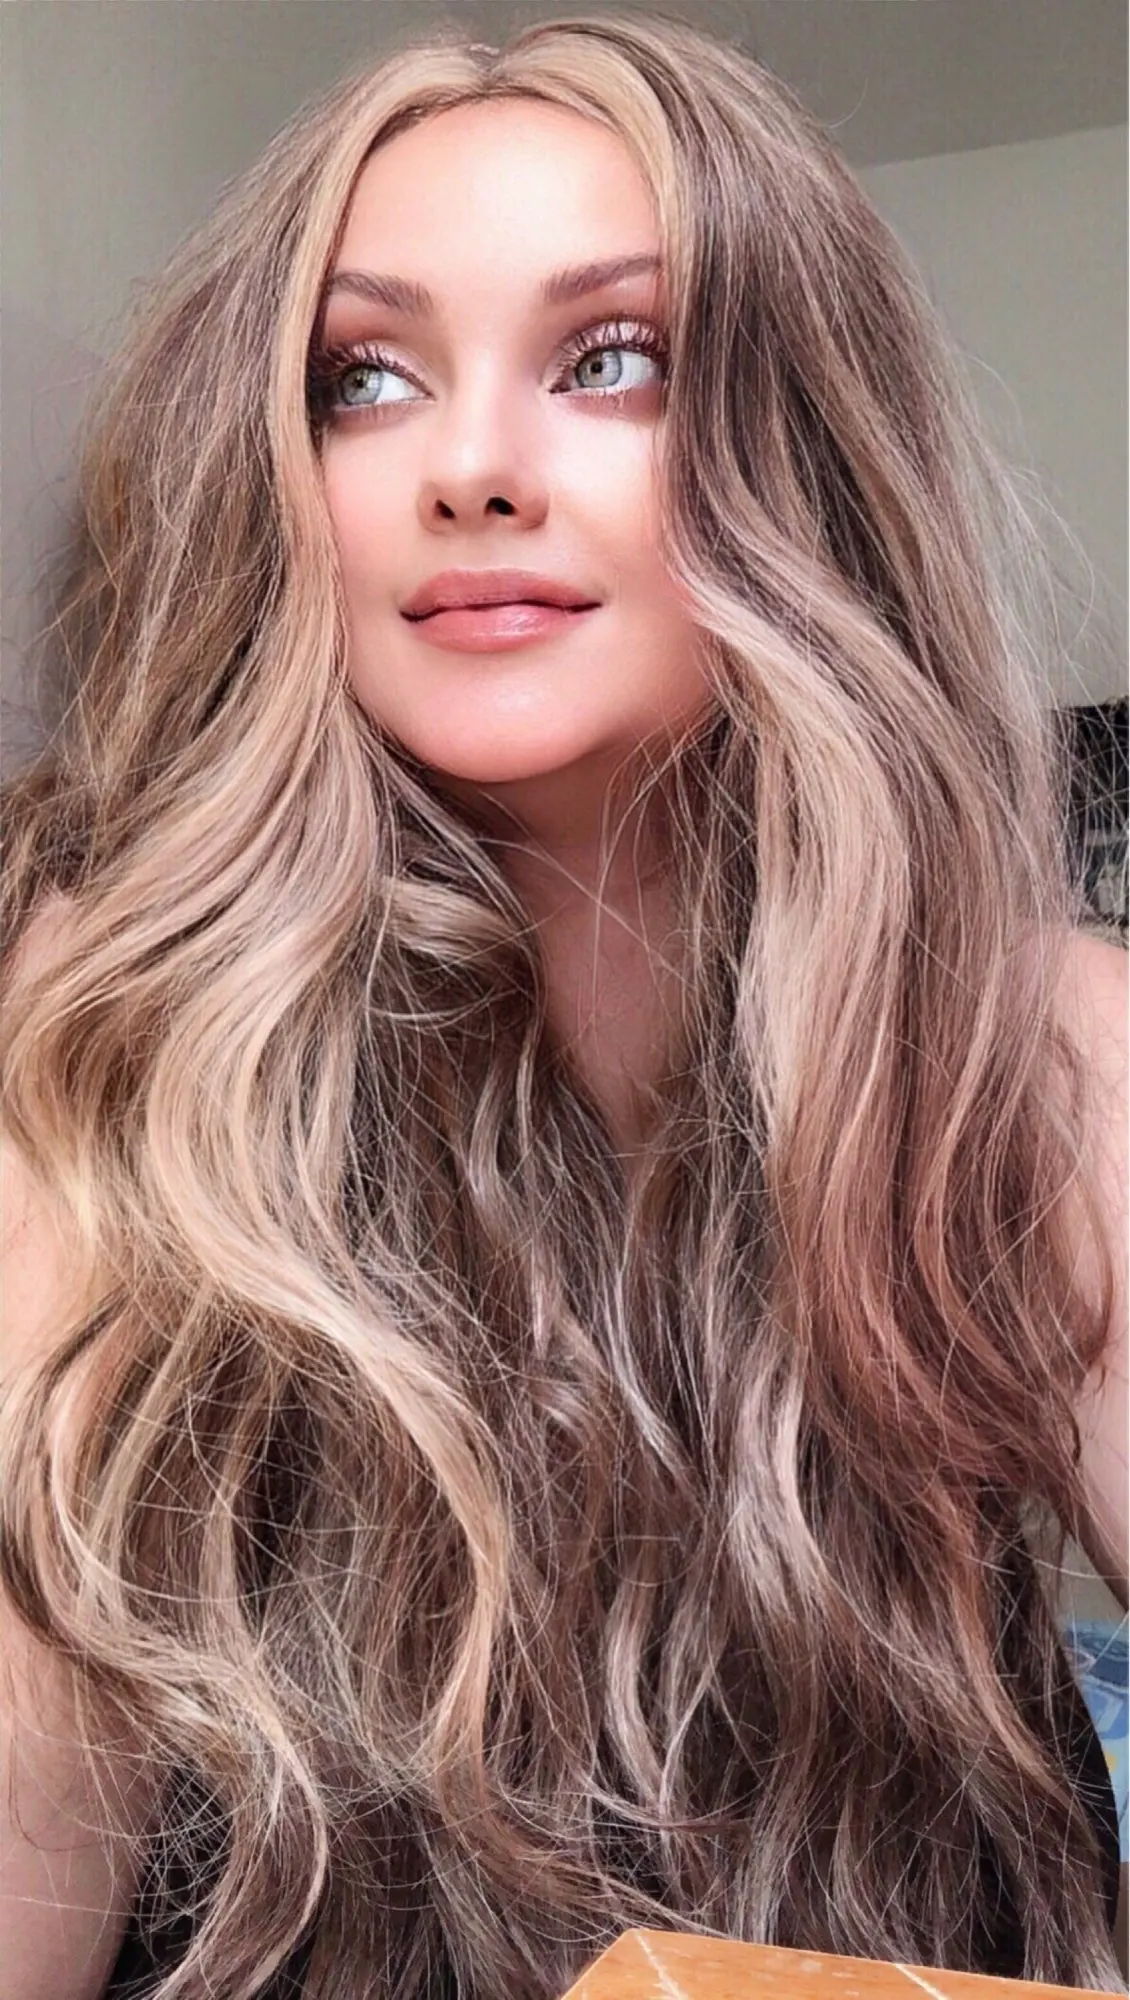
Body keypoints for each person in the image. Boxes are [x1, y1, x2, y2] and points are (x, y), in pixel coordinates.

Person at [1, 13, 1126, 1998]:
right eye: (363, 381)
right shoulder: (113, 1061)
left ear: (799, 442)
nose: (469, 470)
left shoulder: (1037, 1051)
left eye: (610, 358)